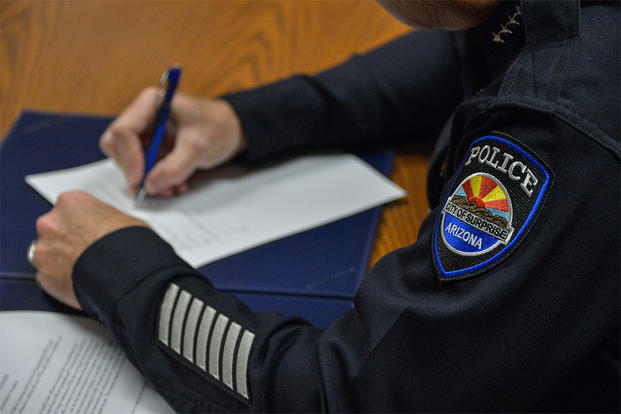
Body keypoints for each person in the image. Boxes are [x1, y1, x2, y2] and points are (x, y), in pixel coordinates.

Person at [31, 0, 619, 411]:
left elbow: (344, 397)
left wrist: (117, 270)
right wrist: (246, 119)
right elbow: (486, 41)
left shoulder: (561, 127)